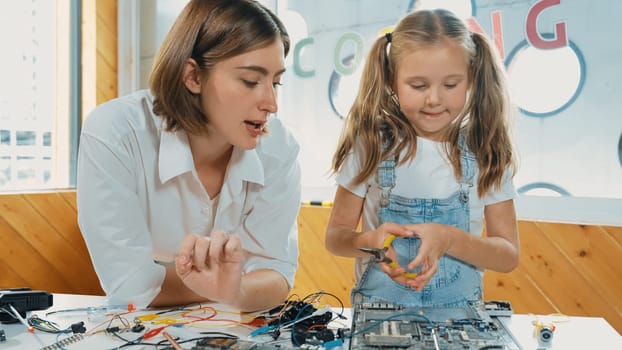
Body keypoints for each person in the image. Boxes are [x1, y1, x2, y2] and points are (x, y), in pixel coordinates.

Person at [77, 0, 301, 312]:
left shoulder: (280, 149)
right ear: (193, 77)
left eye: (276, 82)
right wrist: (230, 288)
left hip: (226, 328)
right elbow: (129, 284)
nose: (271, 103)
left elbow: (276, 274)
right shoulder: (114, 133)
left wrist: (233, 291)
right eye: (251, 81)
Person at [325, 8, 520, 307]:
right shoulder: (371, 146)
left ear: (471, 78)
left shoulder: (485, 151)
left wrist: (450, 240)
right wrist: (368, 243)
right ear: (392, 80)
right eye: (418, 86)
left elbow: (507, 256)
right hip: (379, 316)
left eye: (451, 85)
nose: (434, 99)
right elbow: (335, 238)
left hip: (460, 320)